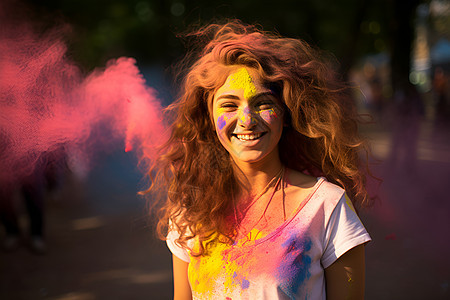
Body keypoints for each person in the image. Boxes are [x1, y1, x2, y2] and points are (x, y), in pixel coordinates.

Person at [149, 20, 372, 300]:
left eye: (263, 104)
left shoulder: (327, 206)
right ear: (207, 118)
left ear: (287, 112)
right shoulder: (190, 212)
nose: (246, 121)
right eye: (229, 105)